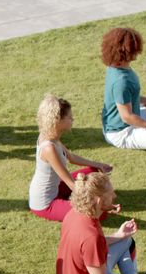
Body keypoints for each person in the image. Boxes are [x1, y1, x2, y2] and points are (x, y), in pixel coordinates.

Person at [29, 94, 114, 222]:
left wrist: (98, 165)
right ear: (58, 120)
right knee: (98, 213)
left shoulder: (51, 136)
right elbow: (71, 184)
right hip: (45, 203)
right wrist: (103, 204)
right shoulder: (49, 148)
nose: (72, 119)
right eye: (69, 117)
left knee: (95, 172)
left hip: (57, 187)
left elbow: (71, 157)